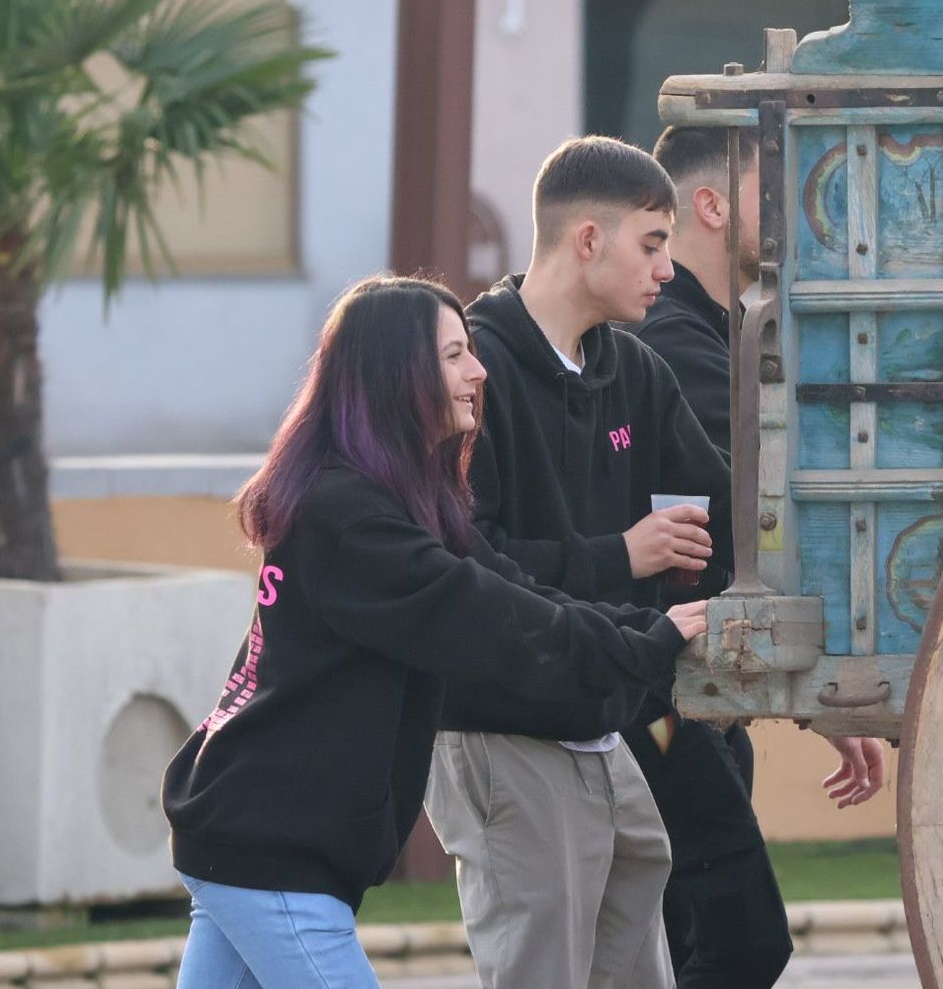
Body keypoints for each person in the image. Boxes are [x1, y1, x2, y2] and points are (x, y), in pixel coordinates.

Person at [161, 275, 708, 989]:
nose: (478, 371)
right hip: (268, 849)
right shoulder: (350, 517)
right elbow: (492, 621)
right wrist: (646, 646)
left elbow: (514, 587)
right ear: (397, 373)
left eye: (471, 351)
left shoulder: (403, 501)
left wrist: (644, 627)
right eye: (454, 355)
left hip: (247, 836)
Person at [424, 136, 730, 988]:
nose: (668, 270)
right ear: (587, 238)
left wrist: (826, 676)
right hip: (500, 724)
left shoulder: (635, 369)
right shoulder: (471, 374)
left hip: (603, 719)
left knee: (653, 931)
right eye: (653, 243)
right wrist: (618, 556)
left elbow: (726, 512)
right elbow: (466, 562)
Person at [631, 124, 888, 987]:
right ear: (710, 203)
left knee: (692, 945)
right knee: (738, 942)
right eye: (770, 189)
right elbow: (755, 527)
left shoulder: (718, 335)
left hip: (694, 699)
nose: (795, 211)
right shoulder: (675, 344)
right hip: (660, 705)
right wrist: (823, 693)